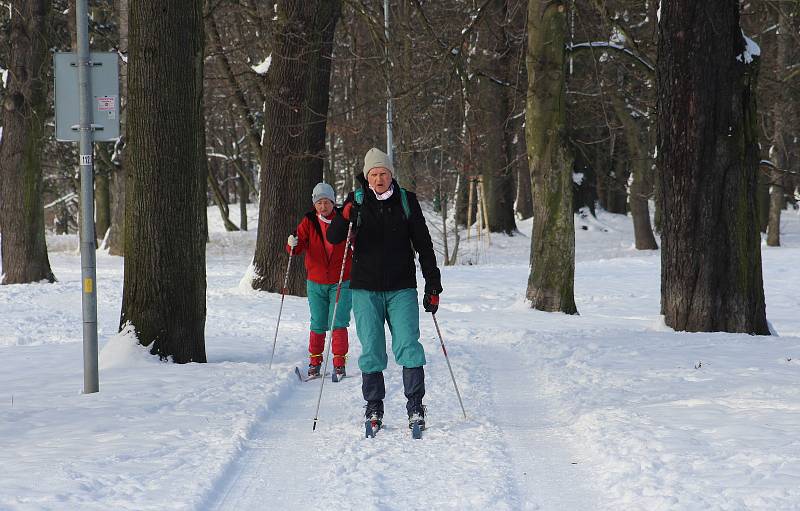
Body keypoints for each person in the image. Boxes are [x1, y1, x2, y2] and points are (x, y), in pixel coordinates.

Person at [327, 147, 442, 433]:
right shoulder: (356, 201)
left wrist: (433, 282)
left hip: (401, 287)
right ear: (367, 177)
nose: (379, 179)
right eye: (374, 174)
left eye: (384, 173)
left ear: (392, 175)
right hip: (365, 289)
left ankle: (415, 405)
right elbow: (334, 236)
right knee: (372, 350)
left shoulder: (406, 201)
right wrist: (344, 216)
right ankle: (374, 405)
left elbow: (424, 245)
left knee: (408, 346)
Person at [287, 182, 352, 379]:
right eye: (319, 203)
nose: (323, 206)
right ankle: (315, 362)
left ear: (333, 202)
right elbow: (297, 248)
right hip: (315, 281)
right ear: (314, 204)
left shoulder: (343, 219)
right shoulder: (309, 221)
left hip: (340, 280)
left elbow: (355, 241)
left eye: (326, 202)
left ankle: (339, 363)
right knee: (317, 322)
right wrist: (292, 244)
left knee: (338, 321)